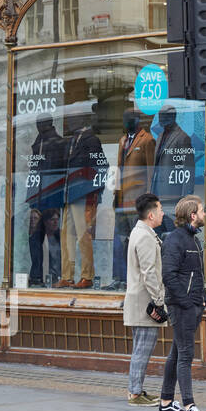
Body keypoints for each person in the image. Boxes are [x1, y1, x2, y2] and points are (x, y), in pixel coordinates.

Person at [158, 194, 206, 411]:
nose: (204, 214)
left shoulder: (194, 239)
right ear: (192, 215)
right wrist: (187, 302)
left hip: (193, 304)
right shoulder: (174, 240)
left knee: (177, 352)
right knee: (186, 354)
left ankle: (166, 402)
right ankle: (189, 405)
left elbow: (195, 273)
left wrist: (203, 298)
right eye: (202, 210)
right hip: (182, 307)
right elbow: (168, 275)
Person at [123, 193, 167, 405]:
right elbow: (149, 272)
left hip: (139, 299)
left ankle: (137, 389)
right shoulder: (145, 236)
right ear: (151, 214)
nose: (162, 213)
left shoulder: (140, 232)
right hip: (145, 301)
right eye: (159, 210)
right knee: (143, 348)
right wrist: (159, 300)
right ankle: (135, 392)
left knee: (140, 347)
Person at [58, 105, 108, 288]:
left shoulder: (91, 140)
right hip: (70, 194)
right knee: (66, 235)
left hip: (83, 195)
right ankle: (67, 275)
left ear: (80, 120)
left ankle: (87, 275)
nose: (69, 122)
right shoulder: (72, 141)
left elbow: (101, 166)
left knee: (83, 235)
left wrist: (94, 192)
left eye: (72, 119)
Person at [111, 110, 156, 290]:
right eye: (124, 119)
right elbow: (119, 169)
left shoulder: (147, 140)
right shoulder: (123, 141)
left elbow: (152, 171)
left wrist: (148, 200)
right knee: (121, 241)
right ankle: (120, 278)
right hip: (122, 201)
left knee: (138, 242)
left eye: (129, 119)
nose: (125, 122)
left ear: (137, 121)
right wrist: (116, 193)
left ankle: (137, 280)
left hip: (138, 201)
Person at [24, 115, 66, 286]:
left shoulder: (58, 143)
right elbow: (34, 171)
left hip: (52, 195)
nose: (39, 126)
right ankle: (36, 275)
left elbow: (61, 171)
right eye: (37, 123)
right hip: (37, 197)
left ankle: (56, 275)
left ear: (49, 124)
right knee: (35, 238)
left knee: (54, 237)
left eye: (41, 123)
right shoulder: (37, 143)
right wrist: (31, 197)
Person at [151, 105, 197, 236]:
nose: (161, 118)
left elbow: (189, 170)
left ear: (172, 117)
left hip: (173, 196)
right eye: (160, 115)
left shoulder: (182, 137)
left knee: (174, 234)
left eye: (164, 115)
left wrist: (186, 199)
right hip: (158, 195)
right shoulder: (160, 136)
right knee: (158, 235)